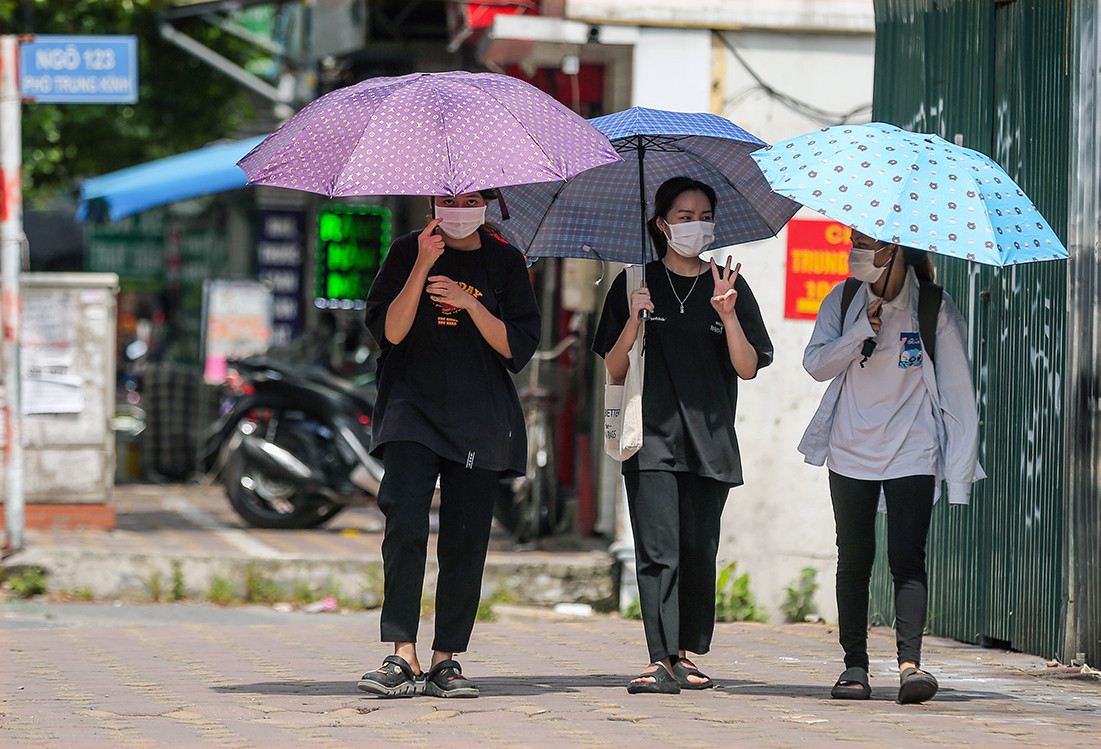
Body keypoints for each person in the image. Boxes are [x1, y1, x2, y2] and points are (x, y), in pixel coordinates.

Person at [592, 176, 773, 694]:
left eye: (704, 217)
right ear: (662, 224)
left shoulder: (729, 285)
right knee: (657, 552)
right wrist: (634, 319)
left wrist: (727, 314)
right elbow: (614, 366)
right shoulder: (634, 282)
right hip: (650, 437)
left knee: (697, 552)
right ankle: (659, 657)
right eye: (685, 216)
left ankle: (685, 655)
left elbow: (747, 367)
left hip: (710, 439)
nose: (696, 225)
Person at [357, 190, 540, 698]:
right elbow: (391, 332)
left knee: (465, 537)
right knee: (404, 523)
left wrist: (469, 303)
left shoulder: (505, 260)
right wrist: (421, 265)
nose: (460, 209)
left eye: (471, 200)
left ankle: (445, 659)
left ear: (489, 202)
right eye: (449, 200)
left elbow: (516, 348)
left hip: (479, 415)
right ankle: (402, 654)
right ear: (433, 202)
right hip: (410, 410)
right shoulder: (405, 250)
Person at [799, 228, 984, 704]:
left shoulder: (933, 308)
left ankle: (910, 665)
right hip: (850, 447)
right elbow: (815, 364)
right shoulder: (843, 300)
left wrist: (959, 478)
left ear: (895, 248)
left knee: (907, 557)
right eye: (854, 241)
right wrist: (860, 331)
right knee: (854, 558)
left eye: (866, 244)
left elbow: (960, 395)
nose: (856, 252)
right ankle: (854, 667)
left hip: (912, 449)